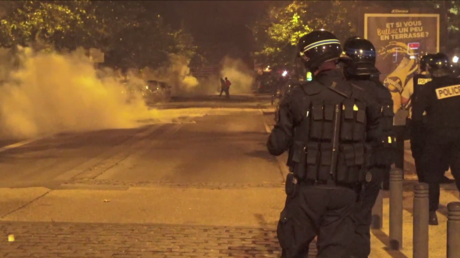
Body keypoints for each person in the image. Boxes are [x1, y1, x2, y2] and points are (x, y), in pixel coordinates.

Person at [266, 30, 381, 257]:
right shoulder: (364, 97)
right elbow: (374, 141)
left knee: (294, 248)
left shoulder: (298, 95)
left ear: (309, 58)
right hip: (346, 192)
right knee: (334, 251)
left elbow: (275, 146)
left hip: (308, 190)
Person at [341, 36, 395, 258]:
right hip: (376, 165)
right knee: (362, 220)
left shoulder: (343, 90)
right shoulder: (383, 92)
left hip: (348, 165)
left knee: (340, 220)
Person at [412, 52, 460, 225]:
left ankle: (431, 212)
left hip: (436, 138)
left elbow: (416, 116)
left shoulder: (428, 88)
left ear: (430, 69)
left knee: (432, 174)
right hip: (458, 137)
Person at [402, 54, 454, 184]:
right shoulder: (454, 82)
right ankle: (440, 175)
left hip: (425, 126)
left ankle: (425, 184)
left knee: (423, 157)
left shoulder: (416, 81)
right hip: (447, 126)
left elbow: (405, 101)